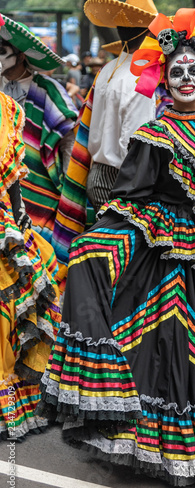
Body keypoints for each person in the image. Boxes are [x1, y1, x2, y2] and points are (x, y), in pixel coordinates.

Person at [36, 8, 195, 486]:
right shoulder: (155, 135)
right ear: (164, 81)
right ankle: (163, 444)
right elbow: (132, 198)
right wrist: (96, 245)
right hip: (167, 260)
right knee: (167, 348)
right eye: (176, 72)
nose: (186, 79)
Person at [52, 0, 159, 262]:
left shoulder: (109, 70)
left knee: (106, 255)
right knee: (126, 261)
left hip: (97, 173)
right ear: (147, 32)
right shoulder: (140, 77)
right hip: (122, 180)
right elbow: (135, 146)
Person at [0, 71, 61, 439]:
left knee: (7, 312)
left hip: (3, 221)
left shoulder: (8, 108)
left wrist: (20, 212)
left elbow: (14, 176)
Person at [0, 14, 78, 288]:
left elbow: (68, 140)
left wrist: (70, 192)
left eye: (2, 50)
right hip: (3, 195)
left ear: (20, 56)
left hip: (40, 192)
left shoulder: (46, 91)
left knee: (36, 274)